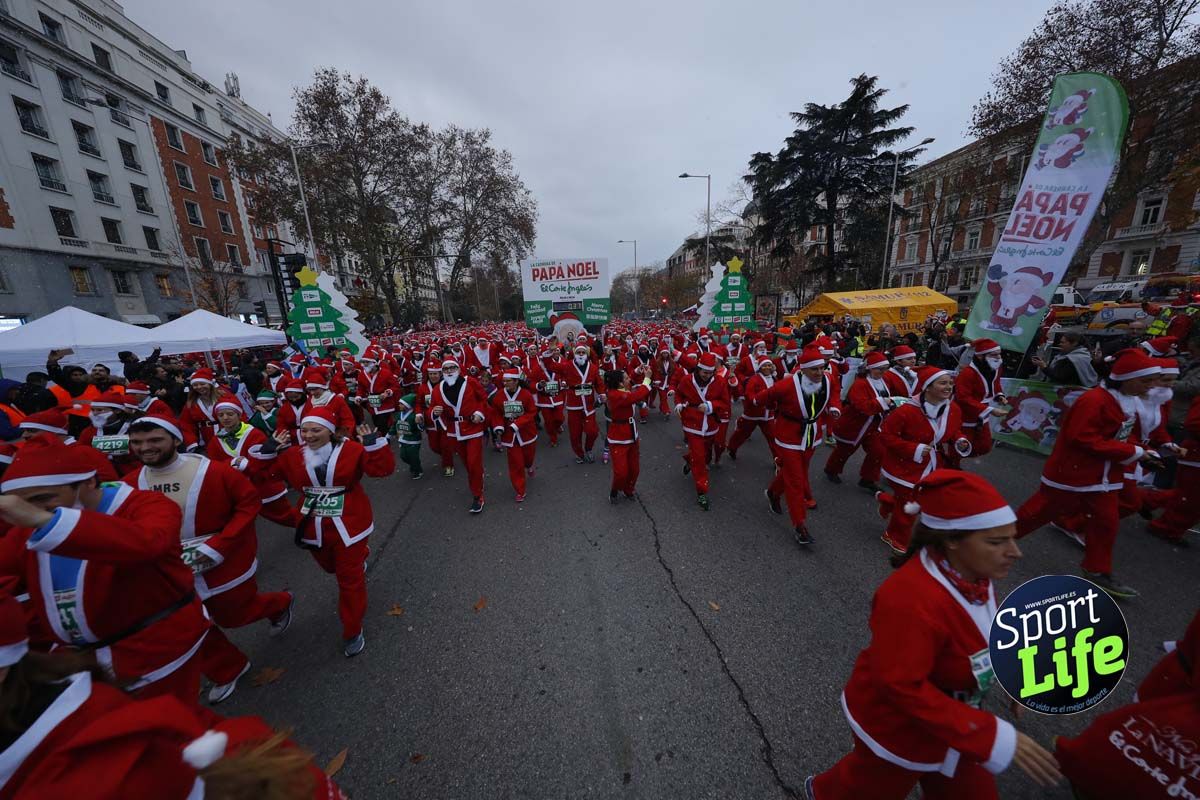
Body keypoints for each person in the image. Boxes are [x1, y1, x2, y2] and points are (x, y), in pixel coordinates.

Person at [806, 470, 1062, 799]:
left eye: (1012, 538)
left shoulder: (974, 575)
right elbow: (900, 686)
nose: (1016, 551)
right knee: (867, 788)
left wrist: (1015, 672)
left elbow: (985, 633)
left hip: (954, 723)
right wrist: (991, 735)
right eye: (997, 541)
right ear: (952, 540)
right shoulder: (911, 599)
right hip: (901, 728)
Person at [0, 591, 344, 798]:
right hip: (122, 654)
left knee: (231, 617)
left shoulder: (120, 766)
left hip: (159, 637)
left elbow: (151, 540)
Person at [0, 434, 211, 704]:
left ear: (88, 482)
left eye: (43, 498)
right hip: (79, 662)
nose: (28, 510)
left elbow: (148, 543)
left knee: (174, 728)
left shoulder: (146, 504)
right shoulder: (24, 532)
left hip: (153, 650)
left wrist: (42, 520)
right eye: (20, 503)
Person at [126, 414, 293, 705]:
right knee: (189, 626)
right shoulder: (128, 483)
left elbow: (248, 504)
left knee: (235, 616)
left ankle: (280, 603)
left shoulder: (213, 472)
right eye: (137, 442)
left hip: (222, 562)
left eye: (154, 440)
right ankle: (228, 668)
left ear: (176, 440)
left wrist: (219, 545)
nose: (145, 448)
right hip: (168, 571)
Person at [1014, 348, 1165, 598]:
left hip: (1103, 478)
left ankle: (1097, 570)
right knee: (1036, 513)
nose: (1150, 386)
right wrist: (1134, 452)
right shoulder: (1094, 400)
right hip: (1072, 474)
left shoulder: (1128, 401)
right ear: (1126, 378)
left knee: (1106, 522)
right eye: (1146, 380)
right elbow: (1082, 437)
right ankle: (991, 540)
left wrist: (1146, 452)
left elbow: (1122, 436)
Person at [258, 407, 395, 657]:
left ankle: (352, 629)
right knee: (330, 567)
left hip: (349, 524)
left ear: (330, 432)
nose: (308, 435)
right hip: (312, 525)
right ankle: (358, 558)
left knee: (349, 580)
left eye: (315, 430)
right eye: (304, 430)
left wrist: (374, 446)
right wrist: (267, 453)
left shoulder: (353, 450)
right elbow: (263, 476)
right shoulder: (292, 455)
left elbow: (382, 470)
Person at [876, 367, 971, 554]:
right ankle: (895, 535)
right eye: (943, 383)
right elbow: (886, 435)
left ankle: (888, 501)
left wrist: (959, 440)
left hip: (933, 464)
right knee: (912, 505)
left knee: (923, 501)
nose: (948, 387)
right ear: (928, 387)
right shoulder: (906, 411)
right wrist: (914, 448)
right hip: (905, 464)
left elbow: (953, 431)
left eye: (951, 383)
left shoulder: (954, 409)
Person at [755, 346, 841, 543]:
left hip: (811, 435)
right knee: (796, 480)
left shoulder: (828, 379)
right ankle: (799, 525)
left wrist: (834, 406)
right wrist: (772, 407)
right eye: (814, 369)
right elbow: (760, 398)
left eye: (822, 368)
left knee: (796, 472)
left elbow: (835, 392)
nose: (819, 373)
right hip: (789, 437)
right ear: (803, 369)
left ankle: (772, 492)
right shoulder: (786, 385)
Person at [206, 397, 296, 526]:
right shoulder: (215, 441)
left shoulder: (254, 433)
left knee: (286, 517)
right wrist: (233, 463)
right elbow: (214, 466)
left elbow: (265, 462)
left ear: (239, 414)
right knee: (240, 526)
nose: (225, 418)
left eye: (230, 414)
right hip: (239, 491)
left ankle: (314, 532)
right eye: (221, 415)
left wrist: (246, 464)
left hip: (263, 485)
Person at [824, 352, 905, 491]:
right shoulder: (860, 384)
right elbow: (863, 406)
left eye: (885, 368)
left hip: (874, 425)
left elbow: (895, 395)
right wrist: (885, 402)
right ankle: (831, 470)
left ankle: (868, 479)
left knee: (878, 451)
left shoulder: (885, 381)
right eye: (879, 369)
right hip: (854, 424)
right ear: (869, 368)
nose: (883, 372)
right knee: (844, 451)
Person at [428, 359, 489, 513]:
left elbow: (483, 398)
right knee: (468, 464)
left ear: (459, 368)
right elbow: (431, 409)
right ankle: (477, 478)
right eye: (446, 369)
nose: (449, 371)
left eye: (452, 367)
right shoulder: (437, 390)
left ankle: (477, 496)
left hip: (473, 427)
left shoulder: (471, 382)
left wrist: (479, 413)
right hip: (454, 431)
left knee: (473, 461)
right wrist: (434, 413)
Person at [674, 352, 732, 511]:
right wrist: (678, 404)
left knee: (705, 455)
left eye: (710, 372)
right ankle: (702, 491)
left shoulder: (719, 381)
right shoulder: (687, 380)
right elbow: (679, 394)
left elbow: (725, 403)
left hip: (711, 423)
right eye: (704, 372)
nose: (707, 375)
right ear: (698, 369)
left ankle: (688, 459)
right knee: (700, 458)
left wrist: (711, 406)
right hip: (692, 423)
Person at [947, 339, 1005, 468]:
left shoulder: (996, 368)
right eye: (994, 355)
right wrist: (990, 410)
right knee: (961, 445)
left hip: (982, 413)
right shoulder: (967, 373)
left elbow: (995, 384)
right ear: (980, 356)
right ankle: (951, 465)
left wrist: (999, 395)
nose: (999, 357)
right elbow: (963, 398)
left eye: (999, 354)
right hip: (965, 413)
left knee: (984, 446)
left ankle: (951, 456)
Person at [18, 409, 119, 482]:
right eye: (93, 409)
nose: (24, 435)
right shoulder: (39, 453)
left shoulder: (83, 452)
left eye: (32, 431)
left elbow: (111, 483)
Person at [604, 367, 653, 502]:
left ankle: (628, 489)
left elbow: (630, 380)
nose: (629, 379)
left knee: (634, 469)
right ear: (620, 383)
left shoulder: (622, 389)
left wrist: (638, 370)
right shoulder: (615, 395)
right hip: (619, 437)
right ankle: (615, 489)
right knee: (621, 472)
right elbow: (636, 395)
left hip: (632, 434)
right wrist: (647, 378)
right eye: (626, 378)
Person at [489, 370, 538, 502]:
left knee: (528, 458)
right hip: (509, 435)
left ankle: (529, 466)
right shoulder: (499, 396)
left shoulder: (526, 394)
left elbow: (532, 412)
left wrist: (518, 423)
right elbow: (496, 413)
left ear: (516, 381)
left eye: (508, 381)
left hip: (526, 432)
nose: (505, 384)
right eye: (504, 381)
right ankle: (520, 489)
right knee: (516, 463)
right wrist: (498, 427)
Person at [552, 344, 605, 464]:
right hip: (574, 405)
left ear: (586, 354)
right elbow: (551, 366)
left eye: (583, 352)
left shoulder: (593, 368)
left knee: (592, 431)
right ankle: (579, 453)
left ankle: (588, 449)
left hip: (588, 404)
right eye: (578, 352)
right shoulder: (567, 365)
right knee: (575, 434)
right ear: (575, 354)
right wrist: (548, 352)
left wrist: (602, 394)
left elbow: (599, 384)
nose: (581, 354)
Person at [725, 358, 777, 460]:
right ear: (760, 367)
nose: (767, 367)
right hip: (752, 413)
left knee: (773, 437)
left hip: (768, 415)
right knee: (742, 433)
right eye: (764, 365)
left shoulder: (774, 379)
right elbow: (749, 393)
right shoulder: (754, 379)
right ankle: (732, 448)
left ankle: (778, 459)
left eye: (769, 365)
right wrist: (756, 400)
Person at [1031, 331, 1100, 387]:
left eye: (1062, 342)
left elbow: (1059, 377)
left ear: (1074, 343)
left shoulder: (1073, 359)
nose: (1059, 344)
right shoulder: (1083, 355)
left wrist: (1044, 367)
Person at [178, 368, 223, 451]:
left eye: (202, 384)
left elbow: (239, 415)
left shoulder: (224, 397)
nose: (199, 387)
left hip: (227, 433)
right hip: (206, 438)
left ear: (210, 384)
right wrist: (191, 442)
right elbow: (185, 423)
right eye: (195, 385)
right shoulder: (191, 403)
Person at [394, 393, 424, 479]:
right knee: (403, 456)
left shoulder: (414, 415)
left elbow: (421, 428)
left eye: (401, 404)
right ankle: (414, 466)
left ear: (407, 405)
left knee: (413, 457)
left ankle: (417, 471)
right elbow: (395, 425)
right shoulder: (399, 415)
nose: (399, 405)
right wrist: (388, 435)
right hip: (403, 439)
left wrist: (420, 423)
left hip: (414, 440)